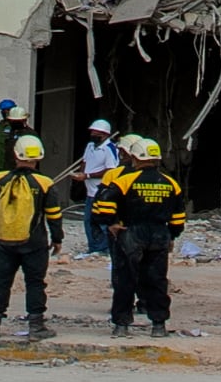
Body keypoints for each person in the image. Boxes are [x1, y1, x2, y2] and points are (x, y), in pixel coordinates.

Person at [92, 131, 189, 335]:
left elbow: (103, 203)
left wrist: (110, 223)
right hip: (159, 234)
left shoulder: (125, 180)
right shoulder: (171, 183)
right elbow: (179, 216)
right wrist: (172, 235)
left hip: (131, 232)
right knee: (157, 280)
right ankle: (159, 325)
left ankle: (121, 325)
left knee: (126, 278)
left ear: (135, 157)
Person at [0, 134, 62, 340]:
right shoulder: (44, 183)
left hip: (3, 241)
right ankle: (36, 327)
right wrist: (57, 238)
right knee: (35, 283)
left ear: (15, 155)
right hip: (34, 243)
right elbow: (54, 214)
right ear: (38, 158)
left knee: (1, 282)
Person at [70, 117, 121, 257]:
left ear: (104, 134)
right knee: (89, 221)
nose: (93, 134)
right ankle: (95, 247)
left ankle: (106, 249)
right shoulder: (90, 146)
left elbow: (110, 170)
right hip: (90, 191)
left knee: (103, 222)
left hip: (102, 191)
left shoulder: (110, 149)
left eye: (95, 132)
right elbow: (85, 162)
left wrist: (87, 176)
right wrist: (81, 173)